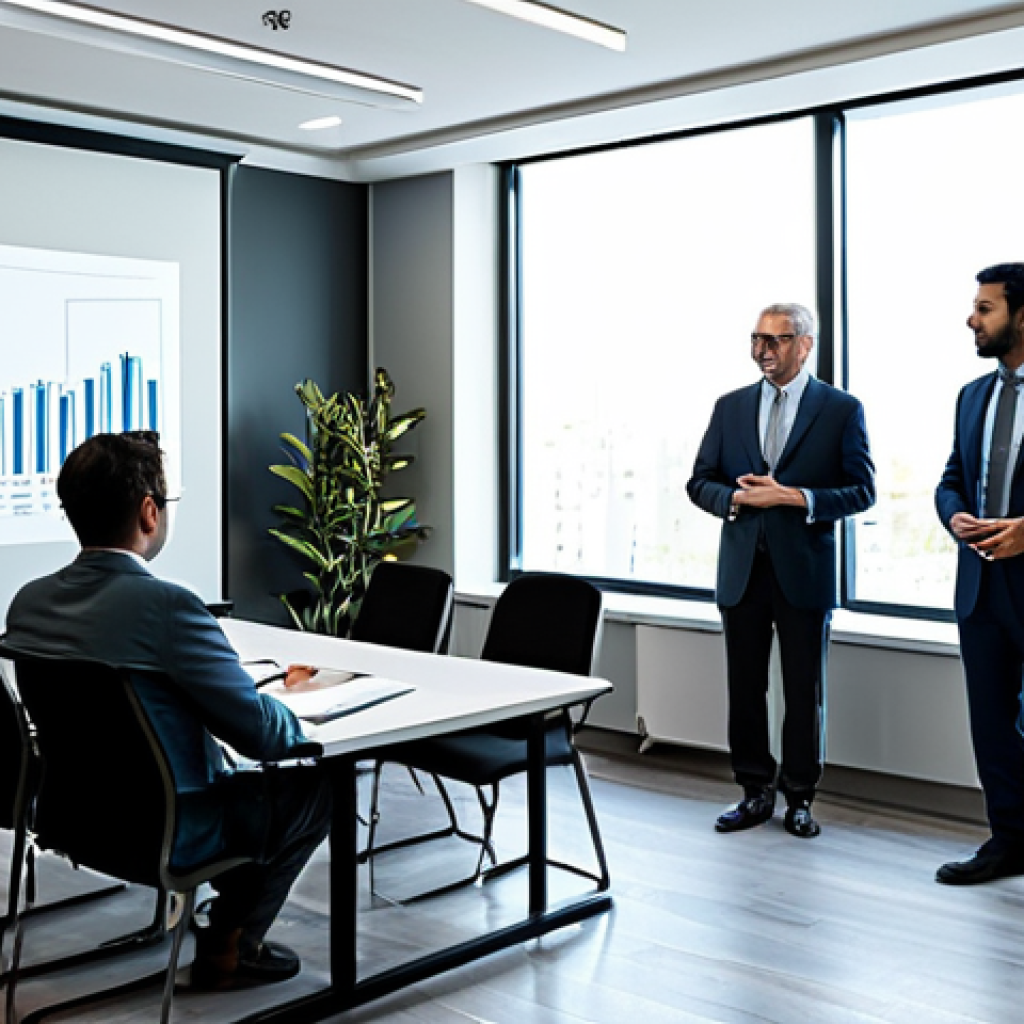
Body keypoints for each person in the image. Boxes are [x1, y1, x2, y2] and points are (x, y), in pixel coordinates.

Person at [3, 431, 331, 988]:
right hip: (170, 830)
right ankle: (231, 945)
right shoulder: (169, 607)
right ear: (149, 512)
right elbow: (262, 737)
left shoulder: (28, 602)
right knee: (316, 789)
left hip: (70, 817)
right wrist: (299, 711)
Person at [687, 303, 875, 839]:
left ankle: (799, 798)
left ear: (805, 345)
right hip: (742, 573)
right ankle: (753, 792)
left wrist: (790, 497)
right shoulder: (729, 407)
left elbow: (862, 491)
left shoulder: (840, 409)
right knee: (744, 688)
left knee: (802, 691)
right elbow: (700, 481)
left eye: (777, 339)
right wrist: (739, 501)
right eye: (756, 339)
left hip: (805, 575)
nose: (763, 349)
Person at [935, 263, 1024, 885]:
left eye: (986, 308)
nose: (973, 318)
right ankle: (1009, 843)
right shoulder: (972, 394)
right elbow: (950, 480)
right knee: (991, 724)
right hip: (981, 586)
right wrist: (956, 517)